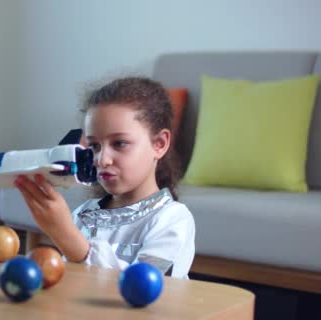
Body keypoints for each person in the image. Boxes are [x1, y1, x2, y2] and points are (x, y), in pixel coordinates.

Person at [14, 77, 195, 279]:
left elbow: (148, 287)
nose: (102, 159)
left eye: (119, 143)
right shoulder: (84, 214)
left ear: (159, 144)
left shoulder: (172, 219)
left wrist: (69, 238)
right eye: (94, 146)